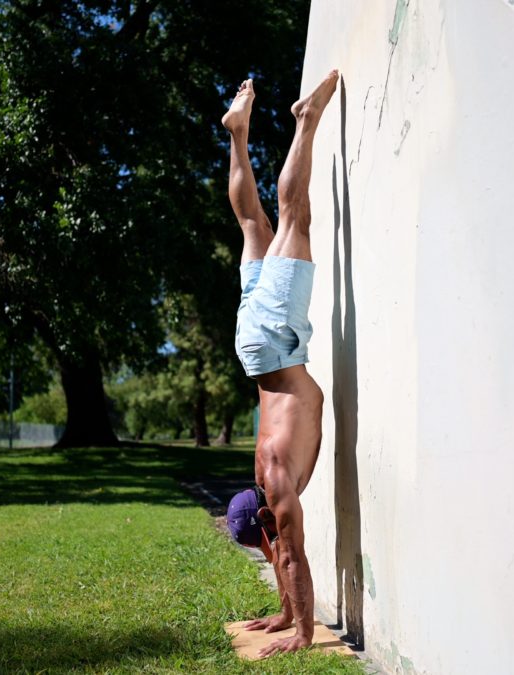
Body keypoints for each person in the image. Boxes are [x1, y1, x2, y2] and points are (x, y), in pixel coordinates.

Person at [221, 69, 339, 657]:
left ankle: (305, 121)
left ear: (266, 521)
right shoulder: (264, 479)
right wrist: (282, 608)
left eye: (267, 536)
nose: (275, 541)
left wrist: (302, 633)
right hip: (255, 347)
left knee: (292, 219)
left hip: (275, 341)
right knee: (254, 225)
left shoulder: (277, 477)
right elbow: (281, 547)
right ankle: (237, 134)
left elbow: (289, 552)